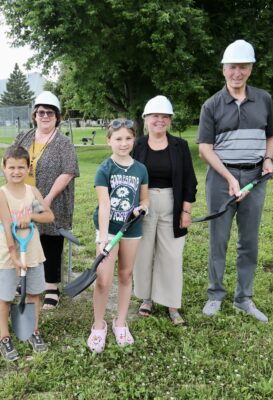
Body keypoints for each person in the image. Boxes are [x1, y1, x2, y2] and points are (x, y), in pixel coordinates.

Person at [197, 39, 273, 322]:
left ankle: (243, 298)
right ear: (223, 70)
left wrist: (267, 160)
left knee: (249, 241)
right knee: (218, 239)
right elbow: (205, 149)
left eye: (243, 67)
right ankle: (215, 295)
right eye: (232, 67)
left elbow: (271, 135)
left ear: (250, 69)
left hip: (256, 178)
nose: (237, 72)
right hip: (222, 178)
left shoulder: (264, 99)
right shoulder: (212, 105)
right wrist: (230, 178)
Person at [132, 96, 197, 325]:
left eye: (164, 116)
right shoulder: (137, 145)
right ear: (146, 119)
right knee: (143, 254)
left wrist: (186, 211)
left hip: (172, 204)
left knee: (171, 256)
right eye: (154, 116)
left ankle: (171, 304)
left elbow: (190, 180)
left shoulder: (180, 146)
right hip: (143, 205)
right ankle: (146, 298)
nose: (159, 120)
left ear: (169, 120)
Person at [12, 91, 79, 310]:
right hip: (24, 198)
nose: (45, 116)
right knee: (27, 239)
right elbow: (11, 161)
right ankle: (27, 282)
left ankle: (51, 287)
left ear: (57, 116)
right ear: (34, 115)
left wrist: (48, 198)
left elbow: (68, 172)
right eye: (41, 112)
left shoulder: (63, 142)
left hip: (53, 200)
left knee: (50, 241)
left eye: (50, 112)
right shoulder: (24, 137)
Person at [87, 118, 149, 353]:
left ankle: (120, 322)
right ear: (109, 141)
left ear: (134, 140)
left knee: (125, 274)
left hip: (132, 229)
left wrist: (143, 208)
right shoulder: (105, 168)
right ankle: (98, 325)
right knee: (103, 280)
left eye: (128, 138)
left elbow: (145, 198)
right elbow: (104, 205)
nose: (123, 143)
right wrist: (103, 238)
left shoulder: (140, 169)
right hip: (109, 230)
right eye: (118, 139)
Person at [0, 146, 54, 361]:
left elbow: (48, 216)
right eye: (12, 167)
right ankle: (4, 337)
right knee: (6, 297)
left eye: (21, 167)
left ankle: (32, 330)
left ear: (28, 168)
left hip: (33, 252)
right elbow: (8, 226)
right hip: (10, 255)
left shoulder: (32, 192)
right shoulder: (2, 195)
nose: (16, 171)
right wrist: (14, 257)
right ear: (4, 168)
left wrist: (31, 216)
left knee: (34, 294)